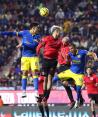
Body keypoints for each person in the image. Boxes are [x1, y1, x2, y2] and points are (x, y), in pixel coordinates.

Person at [0, 22, 41, 98]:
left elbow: (33, 46)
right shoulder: (24, 32)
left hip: (33, 57)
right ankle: (24, 91)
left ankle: (36, 91)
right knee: (24, 73)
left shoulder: (37, 36)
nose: (38, 30)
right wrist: (2, 33)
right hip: (25, 57)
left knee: (34, 73)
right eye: (37, 28)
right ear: (33, 28)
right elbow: (12, 33)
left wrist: (23, 43)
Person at [57, 44, 98, 108]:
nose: (70, 50)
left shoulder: (82, 52)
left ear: (75, 48)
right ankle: (44, 94)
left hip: (79, 74)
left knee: (78, 89)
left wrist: (95, 57)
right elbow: (67, 59)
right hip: (70, 72)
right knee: (56, 78)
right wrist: (67, 59)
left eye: (72, 49)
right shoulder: (70, 53)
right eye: (70, 49)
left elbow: (92, 53)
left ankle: (77, 101)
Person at [36, 25, 62, 101]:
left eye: (59, 32)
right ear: (53, 32)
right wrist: (37, 54)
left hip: (53, 61)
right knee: (45, 78)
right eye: (57, 32)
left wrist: (60, 61)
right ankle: (43, 94)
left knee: (50, 78)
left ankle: (47, 96)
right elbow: (39, 46)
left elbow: (61, 51)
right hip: (45, 60)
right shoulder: (47, 38)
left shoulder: (59, 41)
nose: (58, 33)